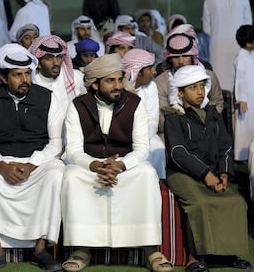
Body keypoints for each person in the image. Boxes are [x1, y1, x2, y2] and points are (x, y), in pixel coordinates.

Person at [61, 54, 173, 272]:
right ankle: (82, 248)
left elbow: (142, 148)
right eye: (110, 81)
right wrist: (94, 165)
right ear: (94, 84)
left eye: (120, 80)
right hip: (90, 164)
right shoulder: (77, 106)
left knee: (146, 174)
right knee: (72, 177)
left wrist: (120, 165)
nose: (118, 86)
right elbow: (73, 149)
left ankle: (151, 249)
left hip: (124, 163)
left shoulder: (134, 104)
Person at [0, 49, 64, 272]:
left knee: (57, 175)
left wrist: (31, 164)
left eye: (27, 74)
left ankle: (40, 250)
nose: (25, 80)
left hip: (39, 162)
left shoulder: (47, 97)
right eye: (18, 75)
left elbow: (56, 143)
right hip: (2, 160)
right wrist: (2, 166)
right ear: (4, 78)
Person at [163, 64, 251, 271]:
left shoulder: (212, 113)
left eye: (202, 86)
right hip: (183, 174)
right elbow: (178, 153)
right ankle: (195, 257)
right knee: (201, 203)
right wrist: (206, 175)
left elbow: (225, 145)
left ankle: (227, 255)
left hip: (213, 172)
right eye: (193, 88)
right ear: (181, 93)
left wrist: (224, 173)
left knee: (235, 201)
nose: (200, 91)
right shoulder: (173, 117)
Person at [154, 24, 224, 138]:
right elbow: (160, 119)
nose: (181, 61)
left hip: (207, 131)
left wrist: (204, 123)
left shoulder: (208, 76)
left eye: (185, 55)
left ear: (193, 56)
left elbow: (218, 104)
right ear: (170, 58)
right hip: (173, 135)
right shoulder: (161, 82)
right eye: (176, 57)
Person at [123, 48, 166, 180]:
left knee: (158, 147)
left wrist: (139, 139)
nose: (154, 71)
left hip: (145, 135)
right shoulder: (119, 87)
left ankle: (156, 182)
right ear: (138, 71)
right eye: (150, 68)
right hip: (121, 135)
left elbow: (152, 120)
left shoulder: (151, 86)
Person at [29, 35, 87, 118]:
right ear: (38, 63)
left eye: (59, 57)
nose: (56, 63)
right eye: (49, 58)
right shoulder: (33, 83)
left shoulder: (75, 77)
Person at [202, 0, 252, 92]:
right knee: (239, 83)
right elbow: (248, 24)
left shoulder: (209, 0)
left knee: (218, 84)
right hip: (238, 46)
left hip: (217, 48)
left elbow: (206, 28)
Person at [233, 24, 254, 162]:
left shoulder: (250, 54)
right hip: (247, 99)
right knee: (246, 125)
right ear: (248, 43)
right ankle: (243, 155)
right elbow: (239, 80)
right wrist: (241, 99)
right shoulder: (241, 57)